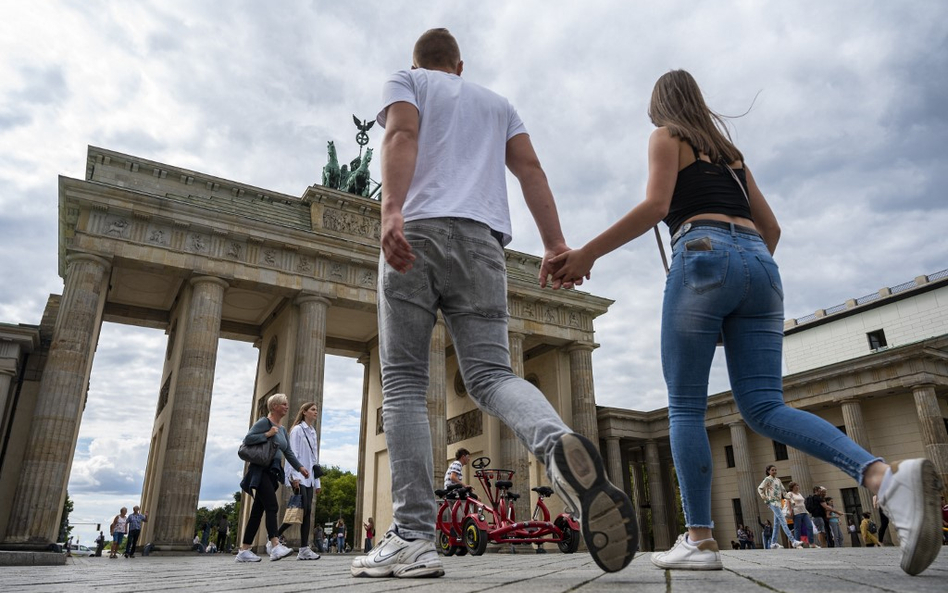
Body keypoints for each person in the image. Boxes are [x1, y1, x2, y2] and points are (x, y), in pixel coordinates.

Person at [548, 69, 943, 576]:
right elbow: (772, 227)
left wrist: (588, 254)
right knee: (764, 405)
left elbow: (656, 205)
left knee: (685, 406)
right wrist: (740, 288)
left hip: (703, 252)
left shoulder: (666, 135)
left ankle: (699, 540)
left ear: (661, 106)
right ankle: (882, 478)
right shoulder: (733, 157)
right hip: (761, 265)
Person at [351, 27, 637, 579]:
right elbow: (530, 170)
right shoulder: (497, 103)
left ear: (421, 64)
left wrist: (389, 212)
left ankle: (413, 535)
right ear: (459, 65)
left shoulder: (406, 81)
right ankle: (556, 447)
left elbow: (401, 134)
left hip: (419, 231)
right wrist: (556, 244)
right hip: (484, 245)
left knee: (406, 384)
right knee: (491, 374)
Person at [235, 393, 310, 563]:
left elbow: (288, 452)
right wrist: (267, 434)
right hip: (259, 470)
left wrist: (300, 467)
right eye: (284, 404)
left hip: (272, 471)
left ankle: (244, 550)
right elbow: (248, 439)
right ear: (274, 406)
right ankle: (275, 545)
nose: (287, 406)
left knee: (257, 513)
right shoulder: (265, 422)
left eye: (286, 403)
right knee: (272, 506)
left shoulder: (283, 430)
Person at [276, 402, 322, 561]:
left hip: (309, 477)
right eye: (313, 410)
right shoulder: (297, 430)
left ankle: (303, 549)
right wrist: (294, 476)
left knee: (307, 512)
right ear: (304, 412)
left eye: (316, 410)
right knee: (300, 510)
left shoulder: (313, 432)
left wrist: (317, 482)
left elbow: (314, 458)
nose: (316, 412)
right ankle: (274, 538)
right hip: (299, 476)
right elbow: (292, 454)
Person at [757, 465, 802, 549]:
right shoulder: (767, 479)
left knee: (777, 523)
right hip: (772, 502)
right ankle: (793, 541)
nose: (774, 471)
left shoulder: (778, 480)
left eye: (775, 470)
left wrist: (791, 500)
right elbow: (760, 489)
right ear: (768, 471)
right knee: (782, 520)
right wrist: (766, 499)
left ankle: (773, 543)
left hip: (778, 502)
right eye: (772, 470)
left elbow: (784, 492)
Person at [786, 482, 812, 547]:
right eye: (796, 485)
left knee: (810, 526)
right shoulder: (790, 493)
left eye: (797, 485)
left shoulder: (799, 493)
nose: (797, 486)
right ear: (792, 487)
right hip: (796, 512)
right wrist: (790, 511)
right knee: (797, 528)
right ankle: (797, 543)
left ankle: (811, 543)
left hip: (804, 511)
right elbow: (788, 502)